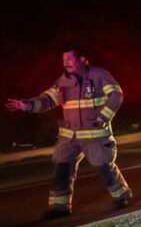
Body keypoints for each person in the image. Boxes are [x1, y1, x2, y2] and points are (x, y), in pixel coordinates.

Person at [6, 44, 132, 217]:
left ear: (82, 59)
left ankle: (122, 195)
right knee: (62, 168)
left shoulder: (99, 75)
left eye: (69, 58)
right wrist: (26, 105)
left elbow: (116, 95)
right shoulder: (62, 82)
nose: (65, 62)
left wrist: (103, 118)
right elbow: (47, 100)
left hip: (94, 135)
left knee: (103, 167)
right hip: (69, 138)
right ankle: (60, 206)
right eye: (63, 59)